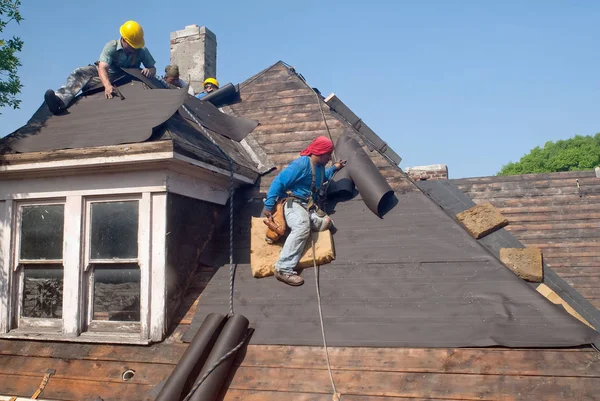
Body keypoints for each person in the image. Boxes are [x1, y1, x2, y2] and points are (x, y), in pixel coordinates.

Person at [263, 136, 346, 286]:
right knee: (302, 226)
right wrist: (269, 206)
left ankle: (291, 229)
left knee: (326, 222)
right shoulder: (301, 164)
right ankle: (283, 269)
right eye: (328, 154)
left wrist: (334, 167)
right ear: (320, 153)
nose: (329, 158)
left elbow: (322, 178)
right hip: (292, 203)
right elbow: (279, 181)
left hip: (307, 205)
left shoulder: (319, 167)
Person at [44, 20, 156, 114]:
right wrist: (107, 86)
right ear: (123, 39)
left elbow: (153, 68)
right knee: (79, 73)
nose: (133, 49)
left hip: (121, 77)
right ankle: (59, 101)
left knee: (88, 84)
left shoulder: (142, 52)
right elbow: (102, 68)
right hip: (106, 74)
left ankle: (88, 87)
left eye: (135, 46)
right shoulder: (111, 47)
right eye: (131, 45)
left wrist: (149, 70)